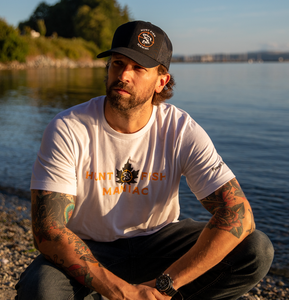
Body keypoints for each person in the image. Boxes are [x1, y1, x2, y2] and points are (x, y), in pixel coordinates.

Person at [15, 21, 274, 300]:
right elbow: (48, 230)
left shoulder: (179, 129)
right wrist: (122, 292)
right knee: (40, 289)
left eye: (139, 68)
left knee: (255, 249)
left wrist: (165, 284)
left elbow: (239, 213)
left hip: (160, 243)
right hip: (91, 248)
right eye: (117, 63)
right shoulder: (69, 127)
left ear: (161, 81)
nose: (124, 74)